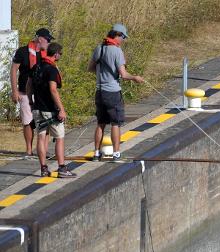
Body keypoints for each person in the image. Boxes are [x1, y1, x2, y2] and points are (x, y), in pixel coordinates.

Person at [87, 23, 144, 162]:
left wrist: (103, 74)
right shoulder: (117, 51)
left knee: (100, 123)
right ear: (117, 35)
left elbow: (90, 68)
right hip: (112, 92)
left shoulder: (99, 48)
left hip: (99, 92)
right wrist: (135, 78)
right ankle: (116, 153)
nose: (123, 40)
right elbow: (123, 75)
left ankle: (96, 153)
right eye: (123, 37)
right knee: (115, 123)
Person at [27, 42, 76, 178]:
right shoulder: (52, 69)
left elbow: (29, 84)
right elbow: (53, 90)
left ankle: (43, 168)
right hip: (50, 110)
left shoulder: (36, 66)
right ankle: (61, 168)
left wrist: (31, 101)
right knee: (59, 137)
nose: (60, 55)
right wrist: (61, 109)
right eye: (60, 54)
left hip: (37, 108)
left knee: (41, 137)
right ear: (56, 54)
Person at [9, 28, 53, 159]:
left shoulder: (47, 53)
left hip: (43, 93)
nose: (49, 43)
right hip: (24, 91)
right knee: (28, 121)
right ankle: (28, 150)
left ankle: (44, 149)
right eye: (48, 40)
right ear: (40, 38)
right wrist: (14, 91)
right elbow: (13, 70)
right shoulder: (22, 52)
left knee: (45, 120)